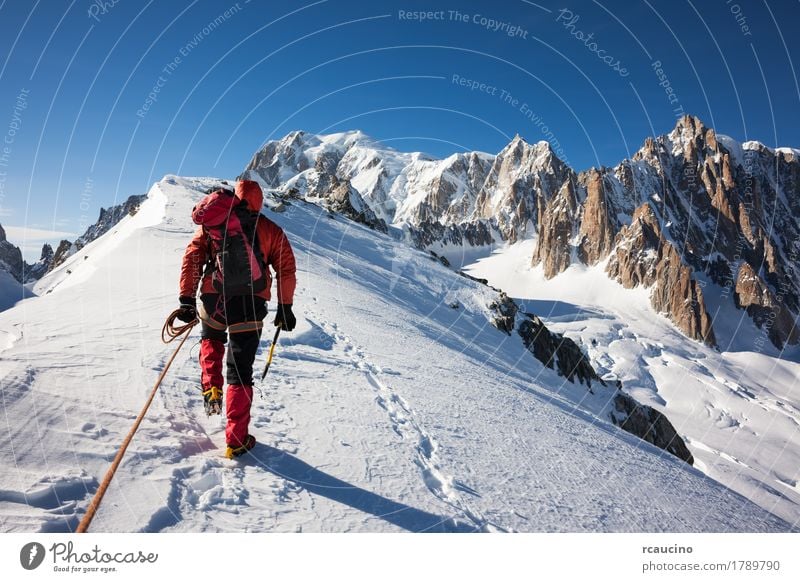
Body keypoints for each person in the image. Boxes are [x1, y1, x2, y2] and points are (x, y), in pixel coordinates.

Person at [176, 179, 296, 458]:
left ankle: (211, 389)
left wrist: (186, 297)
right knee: (241, 370)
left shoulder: (214, 224)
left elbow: (192, 257)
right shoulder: (270, 229)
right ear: (258, 200)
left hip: (214, 299)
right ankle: (236, 440)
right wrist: (285, 306)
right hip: (250, 306)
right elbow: (286, 269)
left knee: (211, 341)